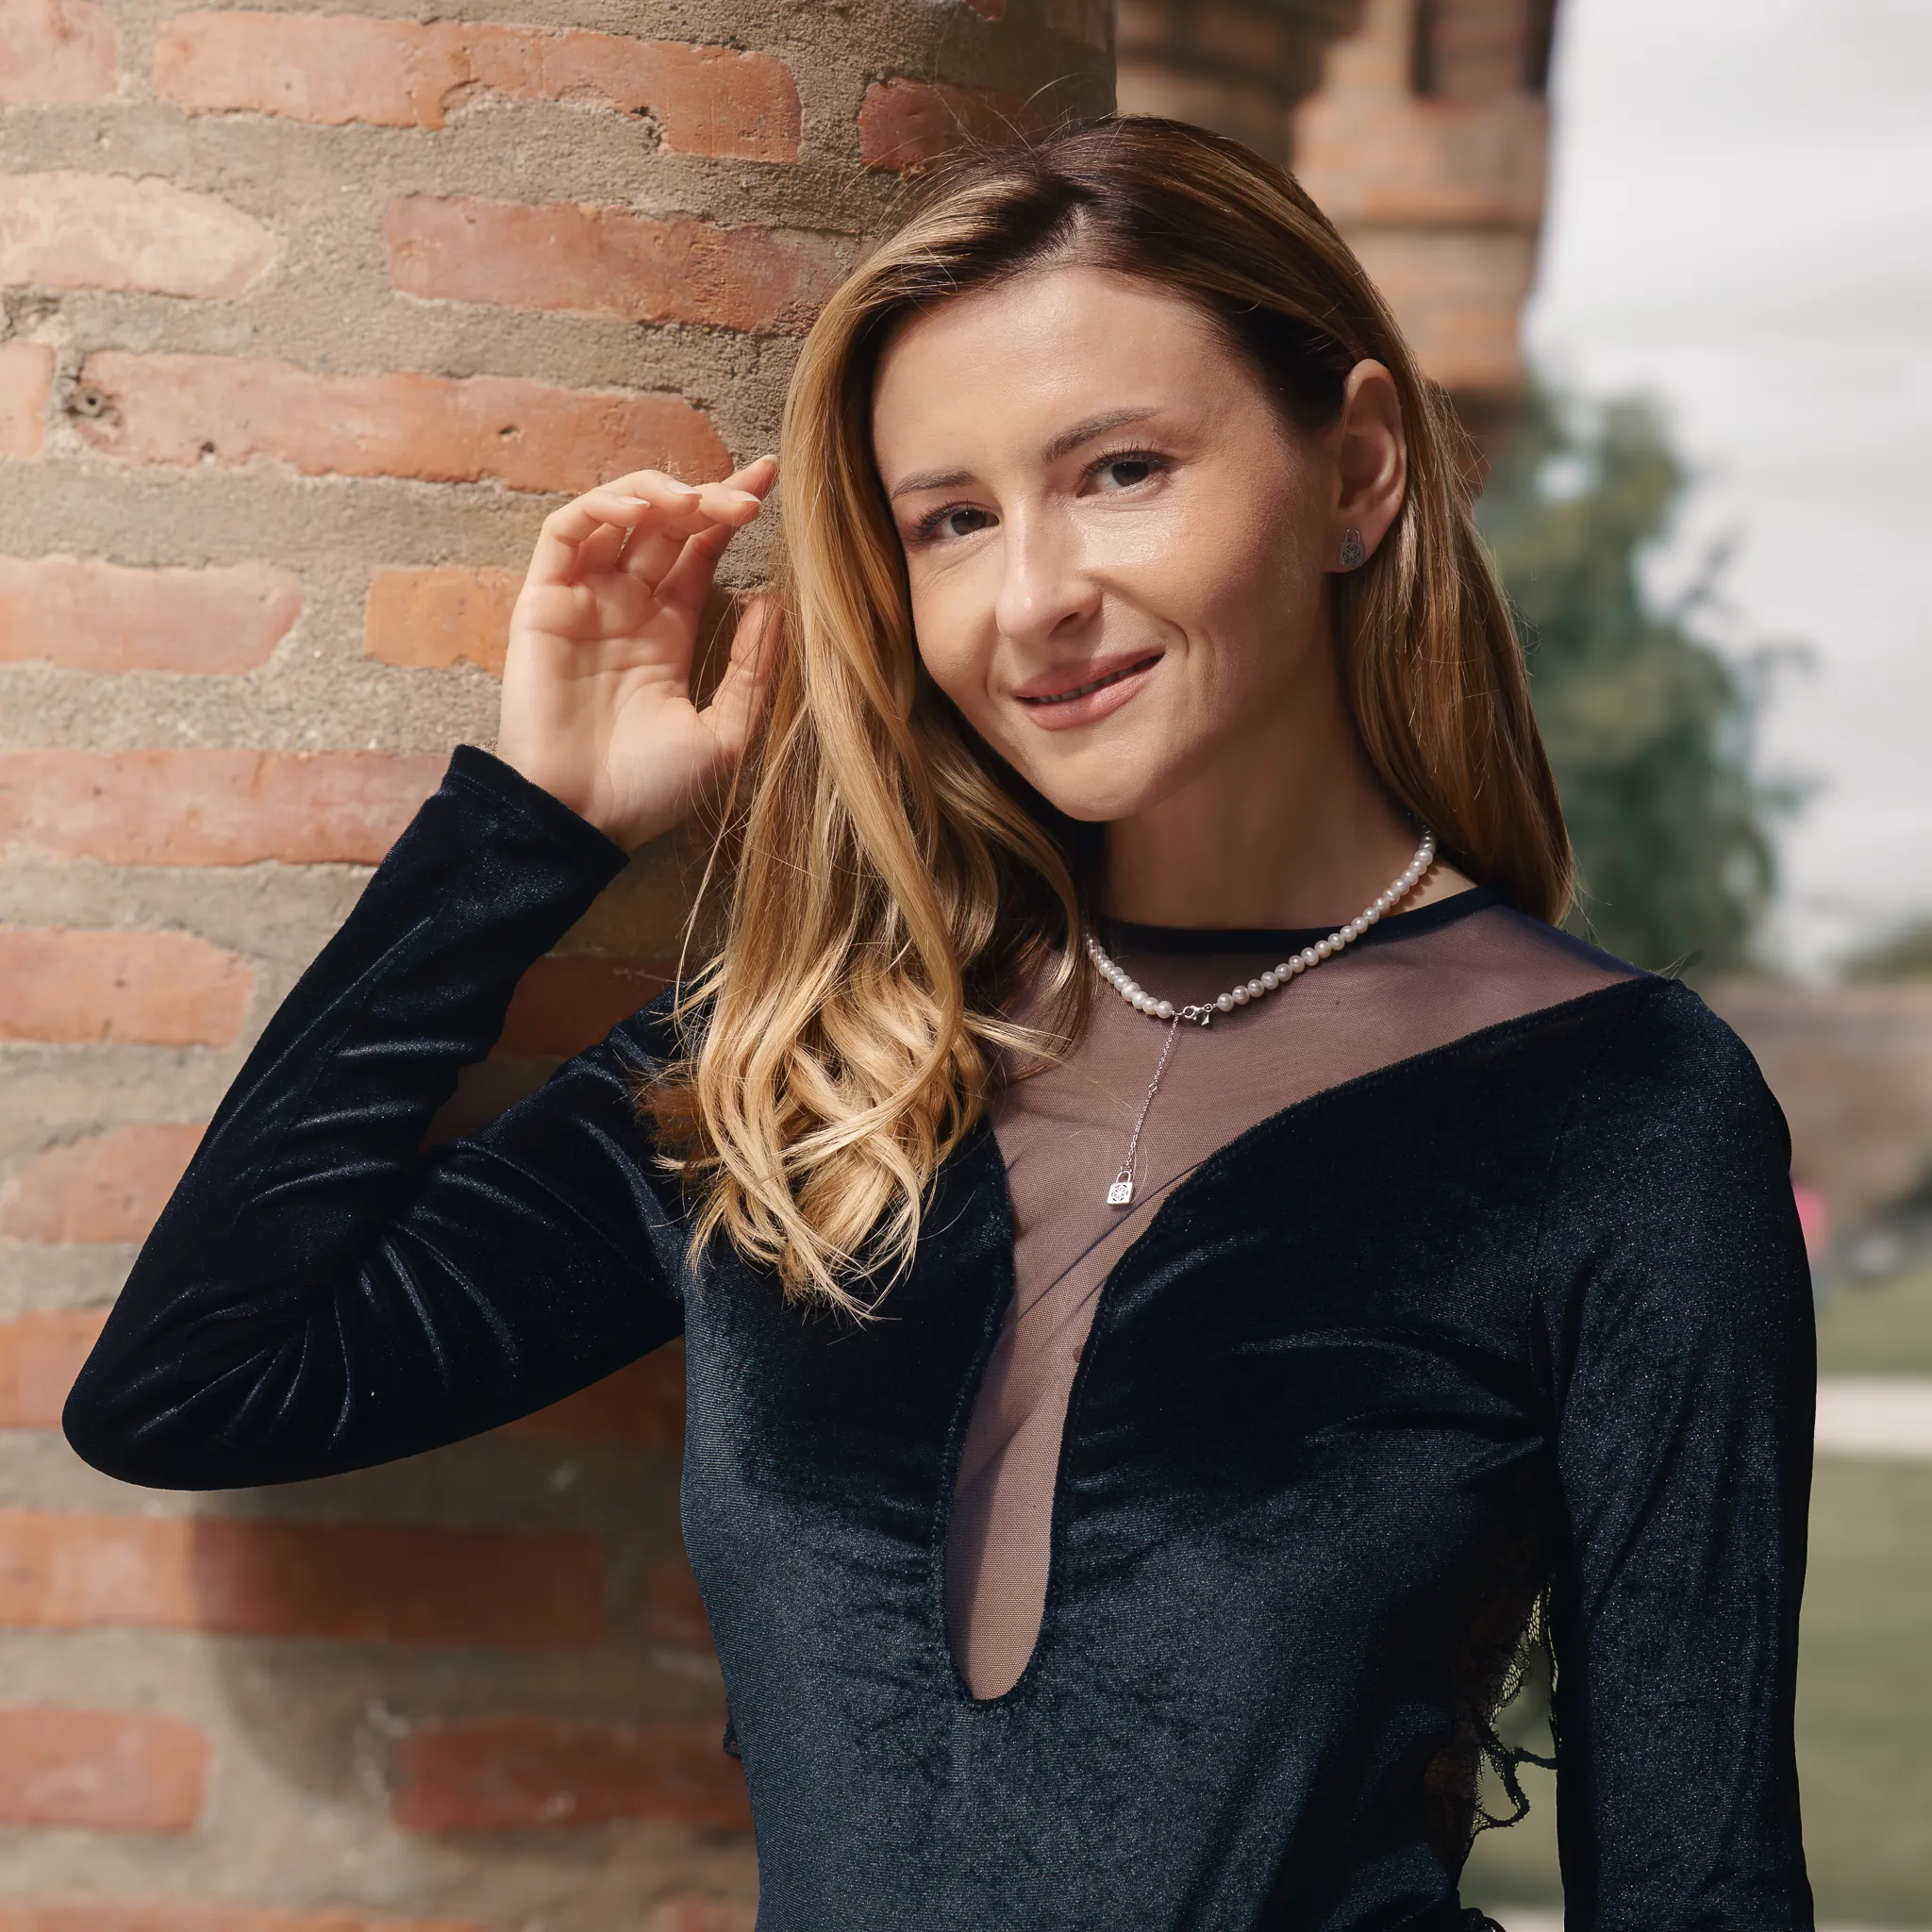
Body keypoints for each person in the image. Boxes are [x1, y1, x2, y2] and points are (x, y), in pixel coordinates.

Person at [61, 118, 1816, 1931]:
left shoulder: (1621, 1111)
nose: (1034, 599)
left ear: (1357, 470)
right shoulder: (801, 1068)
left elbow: (1701, 1883)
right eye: (953, 522)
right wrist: (526, 833)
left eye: (1121, 471)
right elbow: (196, 1382)